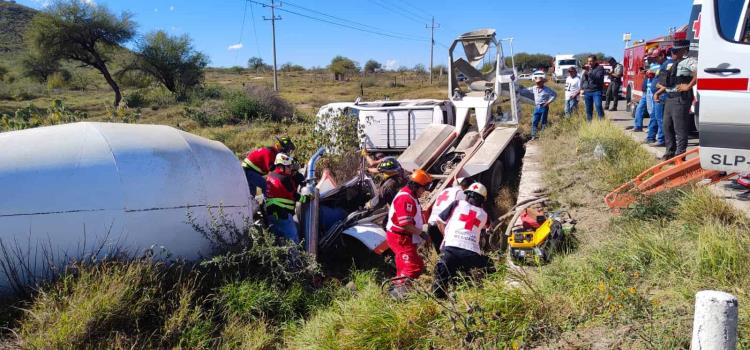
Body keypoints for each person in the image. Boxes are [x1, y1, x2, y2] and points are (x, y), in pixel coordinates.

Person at [431, 182, 491, 299]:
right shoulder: (484, 215)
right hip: (471, 254)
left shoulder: (457, 204)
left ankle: (439, 300)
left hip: (450, 249)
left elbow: (439, 221)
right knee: (487, 267)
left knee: (442, 277)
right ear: (483, 200)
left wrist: (447, 236)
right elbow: (488, 227)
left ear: (467, 195)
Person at [386, 169, 433, 289]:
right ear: (416, 186)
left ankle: (400, 288)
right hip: (400, 238)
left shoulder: (410, 195)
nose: (424, 192)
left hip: (404, 237)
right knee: (413, 267)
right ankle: (397, 294)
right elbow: (405, 224)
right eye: (424, 188)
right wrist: (422, 234)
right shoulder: (405, 199)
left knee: (406, 266)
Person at [655, 40, 697, 160]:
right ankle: (669, 153)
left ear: (684, 50)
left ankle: (680, 156)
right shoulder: (673, 63)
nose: (672, 53)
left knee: (680, 128)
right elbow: (671, 83)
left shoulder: (690, 61)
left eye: (675, 51)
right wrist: (659, 92)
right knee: (667, 126)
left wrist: (688, 86)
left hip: (680, 99)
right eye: (672, 51)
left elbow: (699, 72)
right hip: (669, 98)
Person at [265, 153, 306, 243]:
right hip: (282, 214)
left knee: (277, 242)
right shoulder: (284, 179)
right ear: (281, 167)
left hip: (271, 214)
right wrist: (307, 198)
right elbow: (294, 196)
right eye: (288, 167)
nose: (290, 169)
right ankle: (295, 257)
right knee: (293, 240)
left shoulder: (271, 175)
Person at [426, 177, 473, 252]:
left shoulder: (445, 190)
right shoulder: (460, 192)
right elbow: (465, 210)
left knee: (441, 256)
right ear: (467, 187)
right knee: (451, 254)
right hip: (443, 226)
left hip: (431, 224)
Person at [644, 48, 669, 146]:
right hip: (657, 95)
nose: (654, 60)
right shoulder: (661, 65)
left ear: (662, 56)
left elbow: (666, 82)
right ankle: (651, 137)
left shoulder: (667, 65)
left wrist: (658, 91)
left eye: (656, 57)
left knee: (660, 118)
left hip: (661, 96)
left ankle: (662, 140)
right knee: (654, 117)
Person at [526, 76, 557, 140]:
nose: (538, 83)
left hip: (544, 107)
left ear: (542, 82)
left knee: (543, 122)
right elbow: (526, 90)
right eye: (537, 82)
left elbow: (554, 95)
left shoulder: (547, 89)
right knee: (535, 121)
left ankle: (543, 136)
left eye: (539, 82)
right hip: (537, 107)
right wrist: (518, 90)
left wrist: (548, 102)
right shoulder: (534, 88)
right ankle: (533, 136)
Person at [581, 55, 606, 121]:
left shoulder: (600, 68)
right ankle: (589, 123)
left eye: (591, 61)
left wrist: (589, 72)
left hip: (596, 91)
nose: (589, 63)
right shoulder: (587, 69)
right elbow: (583, 79)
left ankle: (602, 121)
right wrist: (581, 88)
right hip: (587, 91)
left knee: (598, 106)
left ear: (595, 61)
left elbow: (598, 78)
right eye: (588, 61)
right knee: (588, 109)